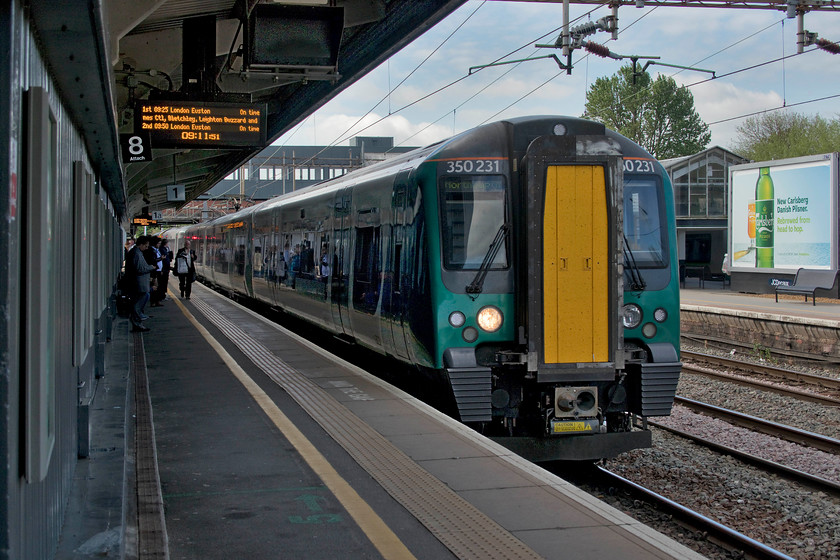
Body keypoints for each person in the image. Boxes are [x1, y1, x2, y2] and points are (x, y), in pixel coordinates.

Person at [125, 236, 156, 332]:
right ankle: (137, 321)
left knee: (142, 299)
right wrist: (151, 267)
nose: (146, 248)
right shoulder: (136, 254)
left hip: (138, 283)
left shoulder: (136, 252)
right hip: (138, 283)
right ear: (141, 245)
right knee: (139, 302)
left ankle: (138, 321)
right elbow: (140, 268)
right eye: (146, 246)